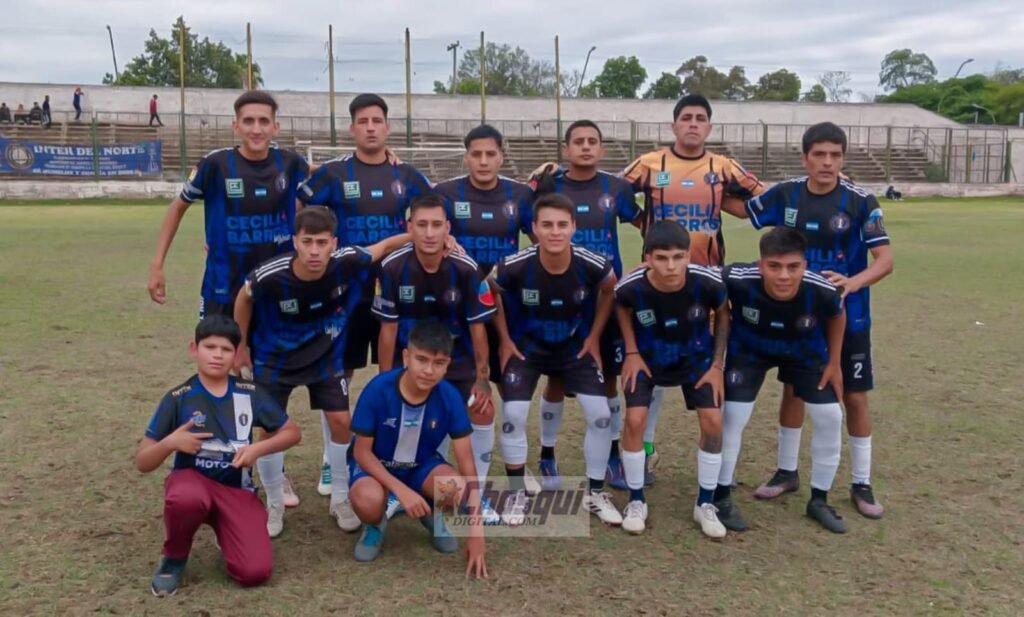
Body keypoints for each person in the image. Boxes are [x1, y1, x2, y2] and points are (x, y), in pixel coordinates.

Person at [741, 122, 894, 519]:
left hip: (849, 316)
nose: (827, 162)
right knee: (793, 390)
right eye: (820, 154)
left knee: (854, 396)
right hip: (799, 317)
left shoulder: (861, 201)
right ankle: (786, 471)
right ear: (805, 157)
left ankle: (861, 482)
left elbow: (885, 261)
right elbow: (743, 209)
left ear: (843, 158)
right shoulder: (787, 193)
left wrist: (853, 283)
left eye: (835, 155)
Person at [233, 207, 410, 537]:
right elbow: (244, 298)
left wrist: (426, 236)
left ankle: (340, 497)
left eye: (322, 242)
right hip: (275, 359)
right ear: (295, 242)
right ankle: (273, 502)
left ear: (334, 243)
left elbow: (385, 246)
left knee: (341, 421)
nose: (314, 251)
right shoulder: (269, 275)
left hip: (325, 357)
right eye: (307, 242)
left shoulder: (347, 260)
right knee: (270, 429)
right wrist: (240, 344)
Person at [621, 94, 764, 483]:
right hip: (657, 286)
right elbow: (609, 193)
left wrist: (727, 203)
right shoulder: (649, 163)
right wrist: (644, 222)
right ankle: (645, 450)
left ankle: (718, 468)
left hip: (707, 286)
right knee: (652, 372)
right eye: (686, 117)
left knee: (708, 367)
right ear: (674, 125)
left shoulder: (723, 166)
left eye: (701, 118)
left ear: (709, 127)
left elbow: (762, 196)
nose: (693, 124)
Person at [299, 93, 431, 496]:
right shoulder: (333, 173)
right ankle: (332, 459)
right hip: (345, 292)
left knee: (396, 372)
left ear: (387, 127)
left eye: (377, 120)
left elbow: (432, 214)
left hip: (399, 291)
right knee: (340, 375)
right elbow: (299, 206)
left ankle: (389, 455)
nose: (370, 127)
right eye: (363, 121)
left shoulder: (407, 175)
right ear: (351, 128)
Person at [135, 315, 302, 596]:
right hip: (192, 484)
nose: (217, 355)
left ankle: (227, 531)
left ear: (235, 355)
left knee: (255, 572)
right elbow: (143, 462)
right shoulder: (178, 398)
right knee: (186, 498)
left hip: (236, 490)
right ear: (194, 349)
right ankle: (174, 557)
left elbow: (292, 432)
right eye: (210, 347)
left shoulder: (250, 393)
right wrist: (171, 442)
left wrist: (257, 449)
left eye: (226, 349)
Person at [491, 193, 621, 526]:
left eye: (562, 224)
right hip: (527, 350)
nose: (555, 231)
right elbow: (489, 288)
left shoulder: (592, 263)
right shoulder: (515, 264)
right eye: (547, 225)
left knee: (601, 417)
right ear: (534, 228)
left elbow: (610, 288)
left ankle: (594, 493)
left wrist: (594, 336)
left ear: (574, 227)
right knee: (513, 416)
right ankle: (517, 493)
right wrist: (504, 339)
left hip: (574, 350)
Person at [529, 119, 643, 492]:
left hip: (606, 293)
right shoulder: (551, 185)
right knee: (557, 376)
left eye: (592, 141)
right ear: (566, 148)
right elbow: (531, 225)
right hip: (560, 295)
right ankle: (547, 454)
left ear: (602, 148)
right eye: (578, 141)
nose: (586, 147)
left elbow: (645, 223)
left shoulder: (617, 188)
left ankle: (612, 455)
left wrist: (649, 260)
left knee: (608, 376)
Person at [373, 193, 500, 522]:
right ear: (409, 227)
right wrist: (386, 380)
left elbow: (478, 329)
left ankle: (476, 495)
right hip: (410, 361)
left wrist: (482, 378)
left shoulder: (466, 268)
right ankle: (399, 488)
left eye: (436, 225)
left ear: (448, 228)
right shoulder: (392, 267)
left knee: (482, 410)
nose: (429, 233)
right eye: (422, 225)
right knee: (398, 417)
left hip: (456, 359)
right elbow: (388, 329)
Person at [714, 227, 848, 534]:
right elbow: (698, 275)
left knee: (830, 416)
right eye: (774, 266)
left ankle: (819, 500)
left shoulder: (822, 289)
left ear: (805, 265)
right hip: (749, 352)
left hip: (803, 353)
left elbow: (836, 315)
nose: (784, 275)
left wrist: (834, 362)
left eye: (793, 267)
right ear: (760, 265)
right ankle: (720, 497)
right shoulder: (737, 277)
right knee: (732, 416)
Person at [148, 90, 309, 320]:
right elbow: (177, 208)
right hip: (223, 287)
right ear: (236, 126)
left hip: (275, 286)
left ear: (276, 127)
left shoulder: (290, 162)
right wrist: (157, 265)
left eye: (264, 121)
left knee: (274, 344)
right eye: (248, 121)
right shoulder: (215, 164)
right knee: (217, 344)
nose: (256, 129)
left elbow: (323, 178)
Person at [614, 222, 729, 537]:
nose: (671, 266)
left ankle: (705, 504)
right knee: (634, 420)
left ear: (689, 256)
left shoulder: (707, 282)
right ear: (647, 257)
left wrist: (717, 365)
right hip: (649, 359)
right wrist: (631, 352)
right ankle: (636, 500)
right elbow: (621, 306)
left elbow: (723, 311)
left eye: (678, 257)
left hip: (696, 359)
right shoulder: (632, 287)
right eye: (662, 258)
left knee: (713, 421)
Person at [348, 321, 488, 578]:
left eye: (438, 363)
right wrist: (400, 491)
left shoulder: (450, 397)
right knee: (368, 501)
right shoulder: (377, 389)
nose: (428, 370)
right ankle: (375, 525)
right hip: (376, 466)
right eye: (421, 360)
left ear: (447, 365)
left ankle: (432, 514)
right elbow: (361, 453)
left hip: (421, 466)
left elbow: (467, 464)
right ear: (406, 357)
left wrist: (476, 533)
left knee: (456, 489)